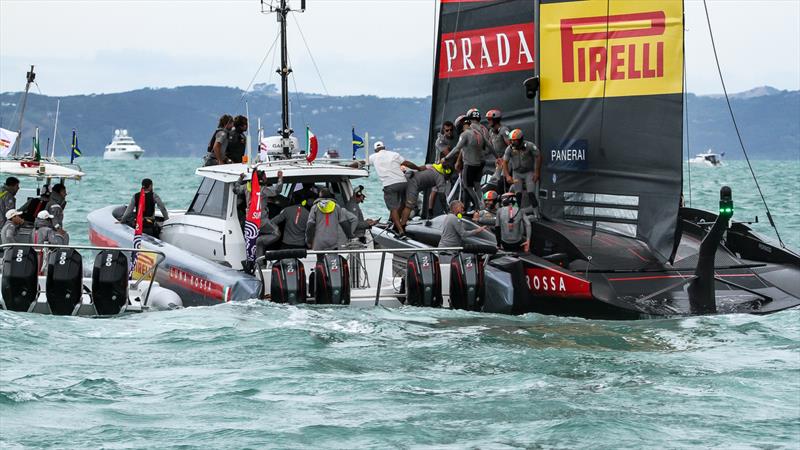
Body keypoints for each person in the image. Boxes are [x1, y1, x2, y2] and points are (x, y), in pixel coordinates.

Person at [367, 141, 421, 237]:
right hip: (402, 183)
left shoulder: (373, 157)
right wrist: (418, 168)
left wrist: (350, 166)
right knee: (402, 204)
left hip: (389, 185)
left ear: (375, 150)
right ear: (384, 147)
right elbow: (407, 163)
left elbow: (361, 163)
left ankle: (400, 230)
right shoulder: (394, 154)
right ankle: (399, 223)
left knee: (393, 209)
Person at [442, 115, 486, 213]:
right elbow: (488, 145)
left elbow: (457, 148)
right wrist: (497, 157)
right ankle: (480, 207)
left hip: (469, 164)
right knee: (477, 186)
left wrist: (446, 158)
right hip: (479, 163)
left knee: (467, 186)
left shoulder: (464, 134)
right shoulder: (478, 132)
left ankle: (478, 207)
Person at [502, 129, 541, 208]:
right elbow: (504, 162)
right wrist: (507, 176)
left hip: (528, 172)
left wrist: (537, 172)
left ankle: (537, 214)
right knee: (518, 194)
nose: (512, 143)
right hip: (517, 174)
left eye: (515, 141)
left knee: (531, 193)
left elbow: (538, 156)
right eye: (511, 140)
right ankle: (518, 213)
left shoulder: (529, 145)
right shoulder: (509, 148)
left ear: (520, 139)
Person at [486, 109, 510, 192]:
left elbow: (511, 146)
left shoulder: (504, 130)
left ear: (496, 120)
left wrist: (504, 159)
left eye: (490, 119)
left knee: (502, 181)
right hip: (500, 161)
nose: (488, 121)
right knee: (493, 181)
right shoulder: (491, 132)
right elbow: (490, 147)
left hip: (508, 160)